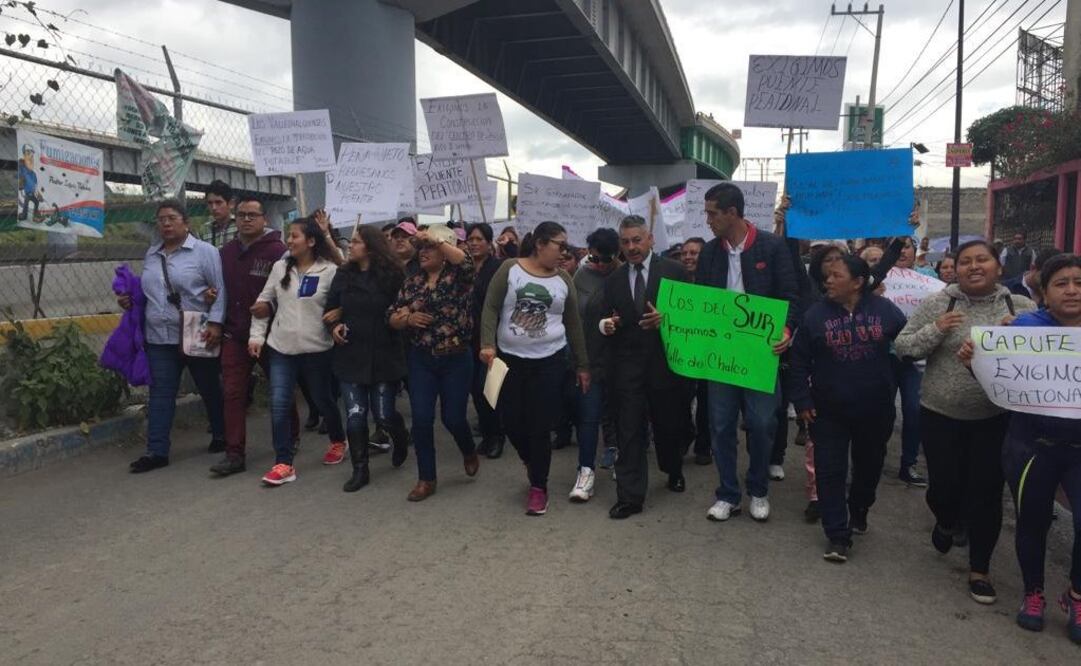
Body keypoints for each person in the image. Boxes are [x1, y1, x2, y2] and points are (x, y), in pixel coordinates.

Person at [895, 239, 1036, 604]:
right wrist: (937, 329)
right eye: (965, 262)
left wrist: (1022, 332)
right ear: (954, 268)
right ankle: (945, 519)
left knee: (987, 494)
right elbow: (904, 346)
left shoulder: (1020, 307)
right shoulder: (938, 303)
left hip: (995, 417)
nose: (974, 267)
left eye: (983, 260)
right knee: (944, 488)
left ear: (998, 267)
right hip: (941, 414)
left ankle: (980, 570)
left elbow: (1042, 359)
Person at [959, 254, 1081, 642]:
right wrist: (973, 362)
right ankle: (1034, 593)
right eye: (1062, 282)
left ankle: (1076, 595)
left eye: (1079, 282)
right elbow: (999, 375)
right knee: (1033, 521)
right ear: (1044, 293)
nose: (1073, 290)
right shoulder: (1026, 327)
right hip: (1033, 446)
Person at [788, 255, 907, 563]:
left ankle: (859, 508)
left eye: (835, 276)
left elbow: (909, 345)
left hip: (875, 410)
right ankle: (837, 535)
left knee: (868, 469)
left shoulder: (886, 311)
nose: (827, 280)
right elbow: (798, 362)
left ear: (857, 282)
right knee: (829, 472)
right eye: (827, 276)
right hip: (828, 411)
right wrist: (802, 401)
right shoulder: (814, 316)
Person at [697, 183, 799, 523]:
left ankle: (758, 488)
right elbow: (701, 303)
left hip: (760, 354)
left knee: (760, 421)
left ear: (732, 213)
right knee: (721, 424)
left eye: (713, 213)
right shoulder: (711, 253)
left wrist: (786, 331)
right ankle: (728, 493)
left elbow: (791, 297)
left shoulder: (772, 248)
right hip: (722, 354)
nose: (708, 219)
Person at [480, 221, 590, 515]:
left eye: (566, 247)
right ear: (540, 244)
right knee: (512, 421)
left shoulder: (564, 279)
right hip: (510, 361)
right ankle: (530, 460)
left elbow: (573, 324)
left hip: (550, 363)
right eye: (559, 245)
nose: (564, 252)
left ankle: (538, 486)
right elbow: (491, 307)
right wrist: (487, 344)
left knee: (540, 426)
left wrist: (582, 364)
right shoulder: (510, 270)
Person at [598, 215, 692, 519]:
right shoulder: (613, 279)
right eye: (625, 242)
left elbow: (692, 319)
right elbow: (603, 317)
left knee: (668, 427)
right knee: (629, 430)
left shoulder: (675, 272)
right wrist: (607, 325)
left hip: (665, 365)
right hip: (627, 367)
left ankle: (673, 467)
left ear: (650, 239)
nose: (631, 247)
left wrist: (668, 319)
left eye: (637, 240)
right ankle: (630, 496)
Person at [123, 199, 226, 473]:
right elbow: (148, 292)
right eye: (161, 219)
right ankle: (156, 451)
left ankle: (221, 434)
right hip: (159, 335)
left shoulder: (205, 252)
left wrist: (216, 323)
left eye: (171, 218)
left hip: (197, 331)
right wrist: (130, 301)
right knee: (160, 393)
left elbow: (220, 289)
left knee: (209, 387)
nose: (166, 224)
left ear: (186, 222)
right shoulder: (152, 254)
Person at [248, 216, 346, 486]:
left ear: (311, 241)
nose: (289, 241)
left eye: (295, 236)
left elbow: (345, 275)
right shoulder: (280, 268)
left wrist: (339, 314)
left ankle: (338, 440)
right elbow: (263, 302)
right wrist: (256, 336)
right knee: (279, 403)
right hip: (281, 348)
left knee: (323, 399)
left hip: (317, 350)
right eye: (289, 236)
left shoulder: (329, 270)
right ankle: (283, 463)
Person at [389, 226, 479, 502]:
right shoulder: (413, 282)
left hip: (456, 358)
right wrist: (406, 320)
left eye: (429, 247)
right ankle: (426, 478)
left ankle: (468, 449)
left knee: (453, 418)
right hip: (421, 359)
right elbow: (392, 315)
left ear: (443, 249)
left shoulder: (459, 278)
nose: (423, 251)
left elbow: (465, 261)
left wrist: (436, 238)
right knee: (422, 419)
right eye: (422, 248)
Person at [209, 196, 295, 477]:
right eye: (242, 215)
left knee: (279, 390)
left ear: (264, 220)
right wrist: (215, 316)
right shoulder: (225, 253)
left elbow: (288, 294)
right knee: (232, 393)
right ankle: (234, 453)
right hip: (235, 334)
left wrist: (268, 307)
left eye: (252, 215)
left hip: (271, 335)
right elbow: (220, 290)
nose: (246, 220)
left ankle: (290, 434)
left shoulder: (278, 252)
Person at [325, 224, 411, 492]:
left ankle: (399, 436)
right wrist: (333, 325)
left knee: (384, 414)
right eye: (351, 242)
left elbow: (403, 307)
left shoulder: (393, 275)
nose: (351, 246)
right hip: (351, 354)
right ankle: (360, 469)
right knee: (355, 415)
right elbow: (330, 308)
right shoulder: (344, 274)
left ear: (372, 247)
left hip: (384, 355)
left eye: (357, 242)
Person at [572, 228, 622, 475]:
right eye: (594, 258)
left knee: (620, 407)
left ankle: (618, 449)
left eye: (606, 259)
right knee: (590, 410)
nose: (600, 265)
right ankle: (585, 468)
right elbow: (573, 314)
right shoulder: (581, 276)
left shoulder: (624, 275)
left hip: (619, 355)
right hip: (589, 353)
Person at [465, 222, 507, 459]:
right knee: (474, 389)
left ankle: (498, 436)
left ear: (489, 243)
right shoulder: (464, 266)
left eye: (479, 239)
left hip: (491, 337)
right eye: (471, 239)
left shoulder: (498, 268)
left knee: (489, 389)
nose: (474, 243)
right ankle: (488, 434)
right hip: (467, 338)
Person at [199, 180, 237, 249]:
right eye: (210, 203)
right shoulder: (204, 230)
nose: (214, 208)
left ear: (231, 203)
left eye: (218, 202)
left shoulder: (240, 226)